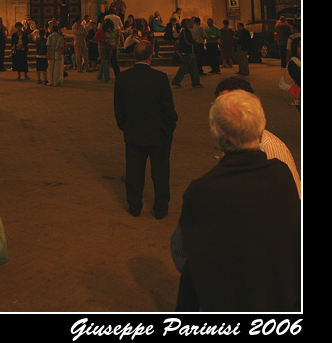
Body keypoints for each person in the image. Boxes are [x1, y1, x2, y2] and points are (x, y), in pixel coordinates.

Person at [171, 90, 300, 312]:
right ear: (261, 126)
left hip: (228, 300)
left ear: (216, 132)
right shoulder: (281, 174)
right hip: (278, 298)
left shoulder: (204, 190)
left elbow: (184, 253)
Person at [114, 40, 178, 218]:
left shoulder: (123, 78)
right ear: (151, 57)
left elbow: (118, 109)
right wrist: (168, 128)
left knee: (134, 172)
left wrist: (126, 127)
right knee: (160, 173)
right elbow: (168, 108)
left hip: (134, 132)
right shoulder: (160, 78)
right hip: (158, 133)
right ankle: (160, 208)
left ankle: (135, 206)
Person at [214, 76, 301, 196]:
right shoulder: (230, 141)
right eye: (222, 106)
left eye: (237, 105)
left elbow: (293, 194)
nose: (230, 112)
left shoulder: (270, 146)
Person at [171, 19, 202, 88]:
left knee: (193, 68)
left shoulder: (187, 31)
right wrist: (193, 43)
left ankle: (196, 83)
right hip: (187, 52)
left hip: (190, 51)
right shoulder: (184, 31)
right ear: (188, 23)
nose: (193, 24)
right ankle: (176, 81)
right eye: (191, 23)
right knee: (184, 68)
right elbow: (186, 41)